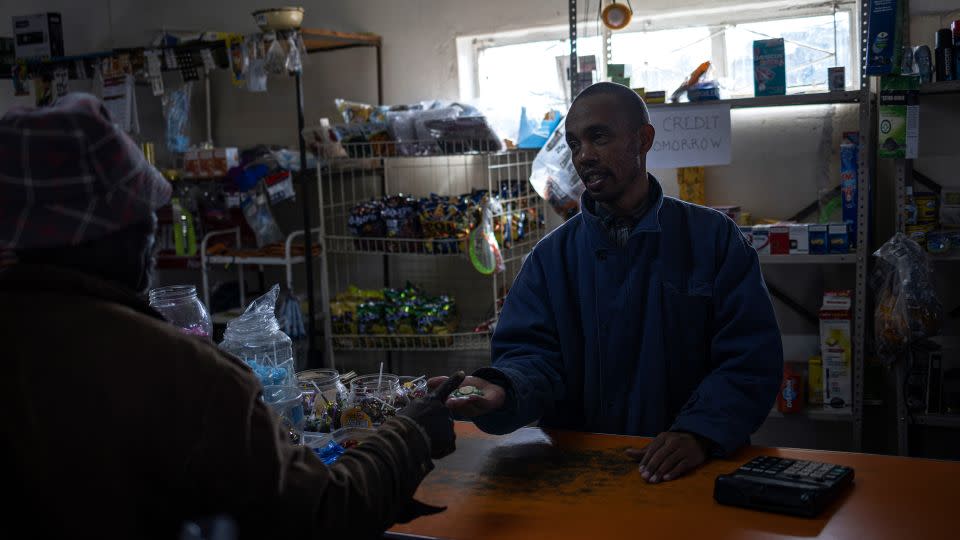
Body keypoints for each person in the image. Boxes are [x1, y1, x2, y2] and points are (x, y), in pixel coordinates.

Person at [0, 93, 464, 539]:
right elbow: (322, 512)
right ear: (131, 231)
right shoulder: (174, 369)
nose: (152, 243)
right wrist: (411, 433)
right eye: (146, 222)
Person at [430, 82, 783, 484]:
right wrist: (503, 389)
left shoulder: (713, 239)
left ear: (644, 139)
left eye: (598, 137)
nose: (584, 157)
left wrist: (699, 431)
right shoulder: (550, 260)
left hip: (691, 469)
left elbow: (750, 358)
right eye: (574, 144)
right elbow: (531, 357)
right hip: (580, 474)